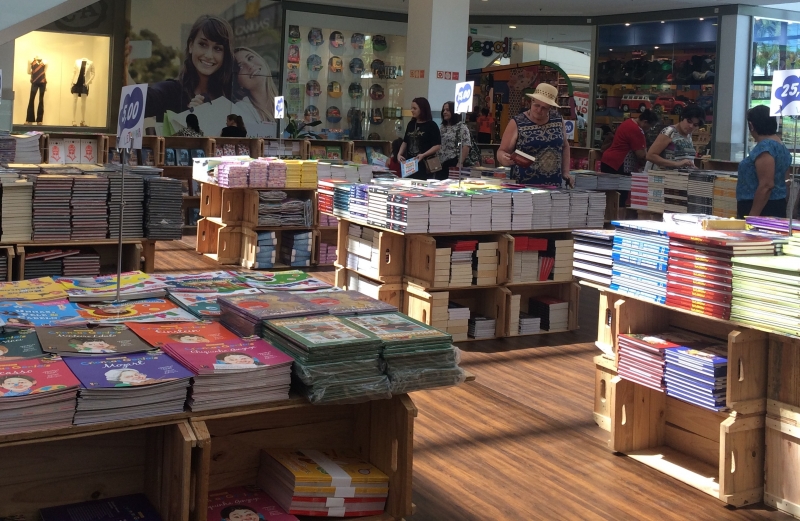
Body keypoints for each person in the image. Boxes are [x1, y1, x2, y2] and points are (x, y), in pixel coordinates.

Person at [136, 15, 234, 122]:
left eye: (217, 48)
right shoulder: (171, 92)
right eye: (203, 44)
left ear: (225, 55)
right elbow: (136, 102)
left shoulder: (232, 97)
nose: (209, 55)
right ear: (191, 45)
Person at [497, 83, 574, 187]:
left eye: (544, 108)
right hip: (524, 186)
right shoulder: (517, 122)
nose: (539, 110)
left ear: (550, 108)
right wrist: (503, 158)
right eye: (536, 105)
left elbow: (565, 146)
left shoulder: (558, 119)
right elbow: (501, 151)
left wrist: (565, 172)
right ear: (531, 101)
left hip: (553, 185)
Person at [736, 105, 791, 218]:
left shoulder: (765, 148)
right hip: (777, 204)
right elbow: (786, 181)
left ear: (751, 125)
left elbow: (766, 185)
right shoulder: (781, 146)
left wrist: (752, 216)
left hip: (759, 208)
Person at [644, 105, 705, 170]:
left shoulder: (688, 135)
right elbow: (650, 156)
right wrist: (676, 164)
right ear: (682, 117)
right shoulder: (669, 131)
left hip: (678, 175)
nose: (691, 126)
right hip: (661, 174)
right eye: (689, 121)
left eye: (695, 125)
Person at [601, 110, 659, 175]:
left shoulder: (628, 122)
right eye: (651, 126)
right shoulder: (636, 130)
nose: (650, 129)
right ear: (645, 122)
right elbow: (641, 154)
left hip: (607, 161)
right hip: (618, 164)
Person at [397, 97, 441, 180]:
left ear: (422, 109)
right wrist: (399, 154)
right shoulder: (411, 124)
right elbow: (405, 141)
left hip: (425, 164)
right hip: (410, 163)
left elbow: (437, 146)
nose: (412, 110)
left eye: (415, 108)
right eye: (411, 108)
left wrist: (423, 155)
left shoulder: (431, 125)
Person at [233, 46, 279, 124]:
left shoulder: (280, 100)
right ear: (238, 82)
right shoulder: (241, 109)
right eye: (240, 66)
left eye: (250, 58)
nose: (250, 66)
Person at [437, 101, 471, 178]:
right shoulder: (442, 127)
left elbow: (466, 145)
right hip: (441, 163)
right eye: (444, 110)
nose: (444, 112)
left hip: (453, 161)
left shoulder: (461, 127)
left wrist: (460, 162)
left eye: (447, 110)